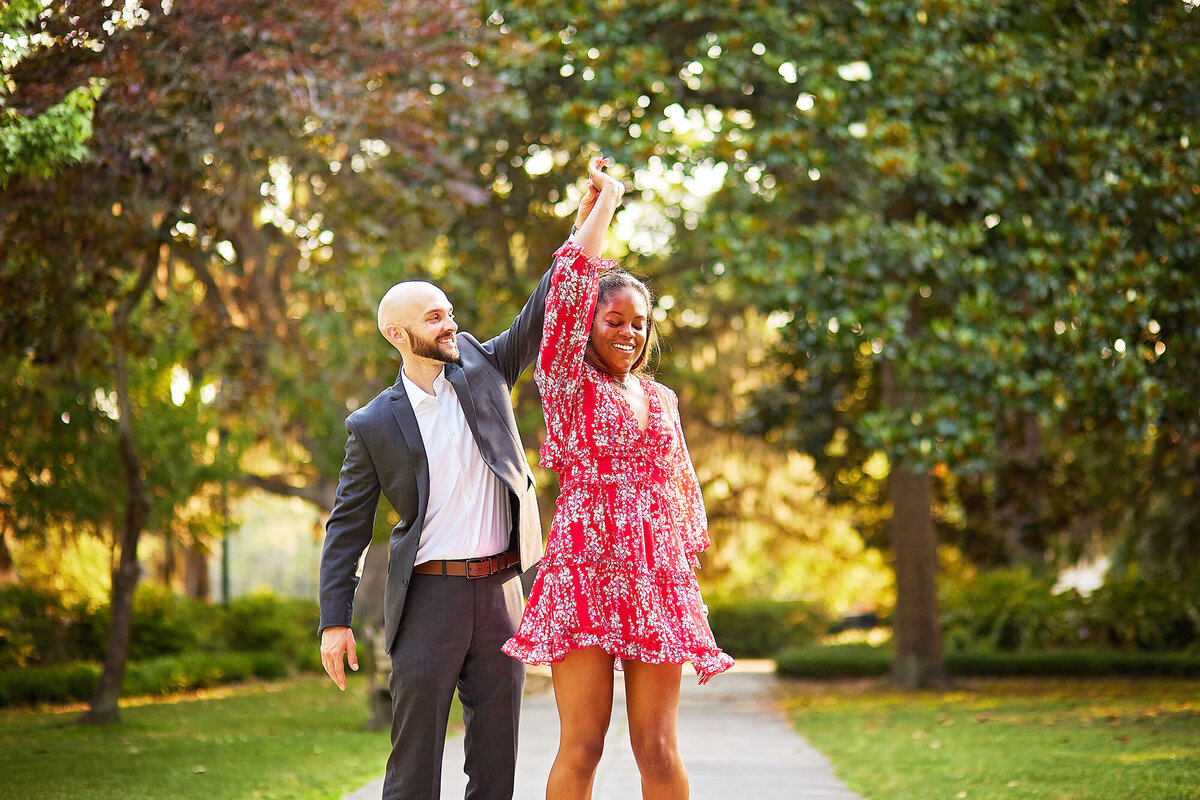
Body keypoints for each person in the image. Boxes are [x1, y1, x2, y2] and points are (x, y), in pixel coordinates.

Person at [317, 185, 594, 799]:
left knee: (496, 767)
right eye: (433, 317)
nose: (451, 324)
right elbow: (347, 528)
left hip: (502, 595)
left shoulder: (487, 370)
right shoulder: (371, 424)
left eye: (449, 312)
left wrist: (584, 226)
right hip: (428, 601)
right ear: (397, 334)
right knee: (414, 768)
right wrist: (334, 621)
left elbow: (545, 305)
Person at [503, 157, 734, 800]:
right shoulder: (568, 384)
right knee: (582, 745)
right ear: (587, 326)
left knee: (658, 749)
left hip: (654, 577)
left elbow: (682, 497)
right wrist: (605, 203)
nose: (629, 332)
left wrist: (678, 574)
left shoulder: (662, 399)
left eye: (639, 322)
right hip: (584, 572)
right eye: (614, 320)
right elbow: (571, 279)